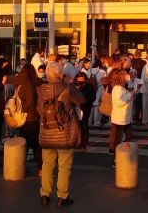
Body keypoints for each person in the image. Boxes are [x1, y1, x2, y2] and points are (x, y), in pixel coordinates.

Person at [37, 62, 85, 207]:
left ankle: (45, 194)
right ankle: (62, 196)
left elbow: (39, 110)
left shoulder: (40, 90)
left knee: (47, 164)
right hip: (64, 133)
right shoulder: (66, 88)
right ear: (60, 74)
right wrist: (68, 82)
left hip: (47, 132)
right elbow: (81, 99)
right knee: (64, 165)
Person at [10, 64, 42, 176]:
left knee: (24, 142)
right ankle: (40, 168)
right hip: (30, 117)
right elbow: (30, 101)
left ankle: (21, 166)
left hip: (20, 118)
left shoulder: (17, 83)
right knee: (36, 144)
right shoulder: (29, 84)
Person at [109, 69, 134, 156]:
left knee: (128, 139)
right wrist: (130, 94)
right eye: (126, 75)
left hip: (126, 118)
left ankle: (125, 158)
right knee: (118, 141)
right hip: (120, 119)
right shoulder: (117, 88)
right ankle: (116, 160)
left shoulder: (123, 88)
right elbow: (118, 103)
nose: (128, 76)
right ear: (121, 77)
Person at [73, 72, 95, 150]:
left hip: (85, 109)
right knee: (76, 126)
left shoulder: (89, 86)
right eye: (79, 78)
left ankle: (83, 143)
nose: (80, 80)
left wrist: (83, 97)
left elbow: (92, 97)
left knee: (84, 125)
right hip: (75, 109)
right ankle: (77, 142)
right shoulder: (73, 85)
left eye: (82, 79)